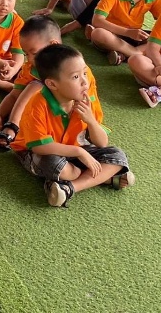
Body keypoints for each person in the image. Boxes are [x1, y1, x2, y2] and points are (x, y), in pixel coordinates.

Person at [9, 44, 133, 207]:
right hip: (40, 151)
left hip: (75, 151)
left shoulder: (85, 100)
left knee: (118, 156)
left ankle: (69, 188)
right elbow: (39, 147)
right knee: (54, 164)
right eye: (75, 77)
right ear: (52, 84)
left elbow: (102, 143)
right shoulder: (37, 105)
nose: (84, 81)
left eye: (84, 73)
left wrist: (90, 120)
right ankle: (103, 178)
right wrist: (79, 152)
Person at [0, 15, 60, 152]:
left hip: (63, 119)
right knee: (33, 86)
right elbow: (14, 95)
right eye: (26, 54)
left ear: (53, 45)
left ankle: (13, 126)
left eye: (34, 53)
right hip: (38, 117)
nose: (29, 59)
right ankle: (13, 125)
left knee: (37, 85)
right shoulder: (30, 68)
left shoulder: (73, 67)